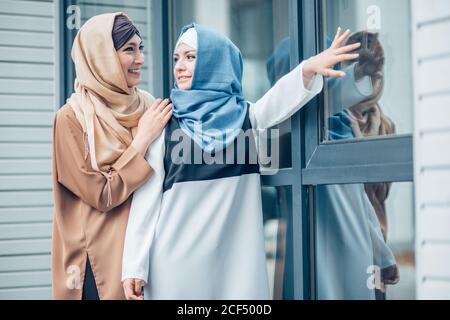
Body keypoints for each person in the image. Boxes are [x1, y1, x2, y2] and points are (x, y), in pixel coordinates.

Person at [121, 23, 361, 300]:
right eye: (177, 58)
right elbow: (146, 201)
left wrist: (308, 69)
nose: (180, 66)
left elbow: (280, 99)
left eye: (190, 57)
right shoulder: (163, 123)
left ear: (216, 62)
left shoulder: (245, 118)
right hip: (175, 267)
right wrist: (134, 267)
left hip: (234, 265)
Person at [51, 12, 172, 299]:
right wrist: (141, 140)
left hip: (145, 258)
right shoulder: (71, 118)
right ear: (101, 56)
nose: (140, 58)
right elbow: (101, 195)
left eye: (140, 48)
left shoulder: (148, 108)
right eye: (129, 50)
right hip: (96, 265)